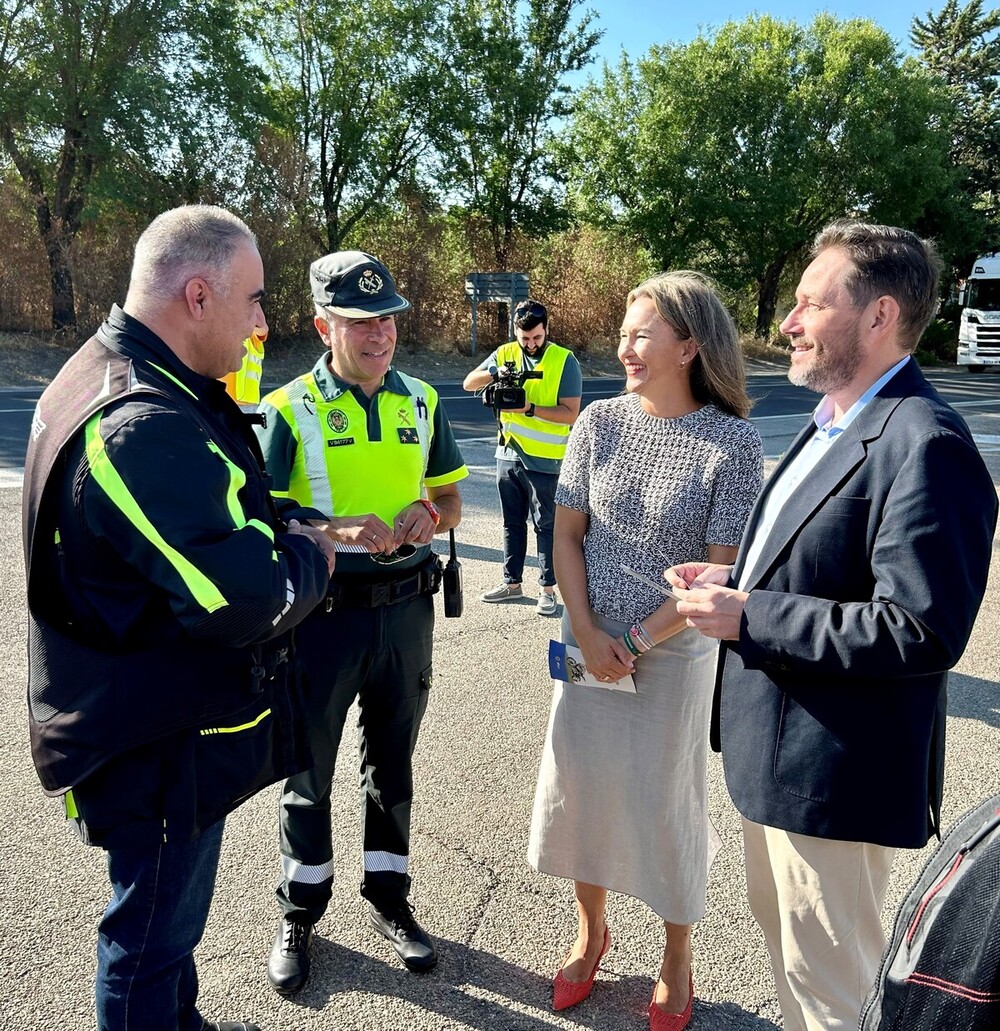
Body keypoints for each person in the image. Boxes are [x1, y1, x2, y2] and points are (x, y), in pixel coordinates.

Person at [667, 220, 999, 1031]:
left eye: (812, 303)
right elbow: (816, 561)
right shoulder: (833, 418)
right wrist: (735, 578)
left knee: (839, 993)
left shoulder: (926, 441)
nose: (788, 320)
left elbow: (921, 627)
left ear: (880, 316)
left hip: (832, 779)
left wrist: (751, 613)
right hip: (778, 762)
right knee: (796, 967)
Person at [21, 205, 336, 1031]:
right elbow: (245, 599)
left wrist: (294, 518)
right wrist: (313, 558)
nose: (263, 321)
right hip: (145, 736)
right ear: (199, 295)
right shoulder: (138, 424)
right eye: (255, 300)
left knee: (169, 925)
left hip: (154, 714)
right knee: (150, 934)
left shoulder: (134, 372)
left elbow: (210, 507)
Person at [527, 271, 763, 1030]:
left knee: (666, 807)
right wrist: (588, 629)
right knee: (583, 794)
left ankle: (676, 956)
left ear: (689, 345)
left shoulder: (733, 442)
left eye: (641, 334)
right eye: (625, 333)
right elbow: (566, 535)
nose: (624, 347)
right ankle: (591, 932)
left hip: (672, 653)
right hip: (587, 640)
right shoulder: (596, 421)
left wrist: (632, 639)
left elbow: (720, 571)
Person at [256, 251, 468, 992]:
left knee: (393, 767)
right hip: (322, 617)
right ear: (324, 324)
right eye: (360, 320)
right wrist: (340, 530)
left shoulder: (423, 401)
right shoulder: (287, 410)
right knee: (306, 771)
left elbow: (448, 501)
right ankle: (299, 909)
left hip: (406, 610)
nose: (381, 333)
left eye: (388, 318)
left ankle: (390, 899)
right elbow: (262, 521)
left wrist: (427, 515)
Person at [462, 298, 582, 615]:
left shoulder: (564, 360)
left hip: (545, 461)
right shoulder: (505, 354)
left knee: (546, 526)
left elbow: (570, 414)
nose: (530, 344)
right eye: (524, 338)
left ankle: (547, 590)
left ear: (546, 331)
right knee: (511, 523)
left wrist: (529, 408)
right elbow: (468, 383)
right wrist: (494, 373)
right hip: (508, 454)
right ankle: (511, 584)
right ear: (516, 331)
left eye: (537, 338)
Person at [222, 326, 267, 410]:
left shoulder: (251, 334)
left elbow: (263, 330)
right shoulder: (217, 334)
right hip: (219, 401)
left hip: (245, 403)